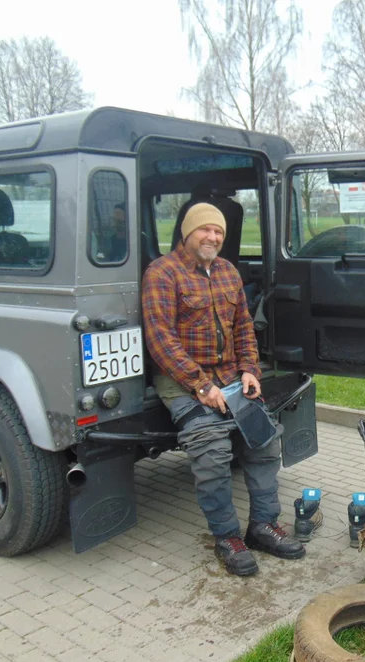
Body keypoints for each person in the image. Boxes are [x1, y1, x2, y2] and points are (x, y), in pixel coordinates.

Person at [141, 201, 305, 576]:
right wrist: (200, 386)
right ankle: (227, 537)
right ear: (187, 233)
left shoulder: (228, 271)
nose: (212, 237)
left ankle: (263, 525)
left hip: (231, 375)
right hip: (182, 381)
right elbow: (160, 339)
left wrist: (250, 370)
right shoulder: (162, 273)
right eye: (205, 230)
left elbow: (243, 327)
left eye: (218, 232)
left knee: (264, 442)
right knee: (212, 450)